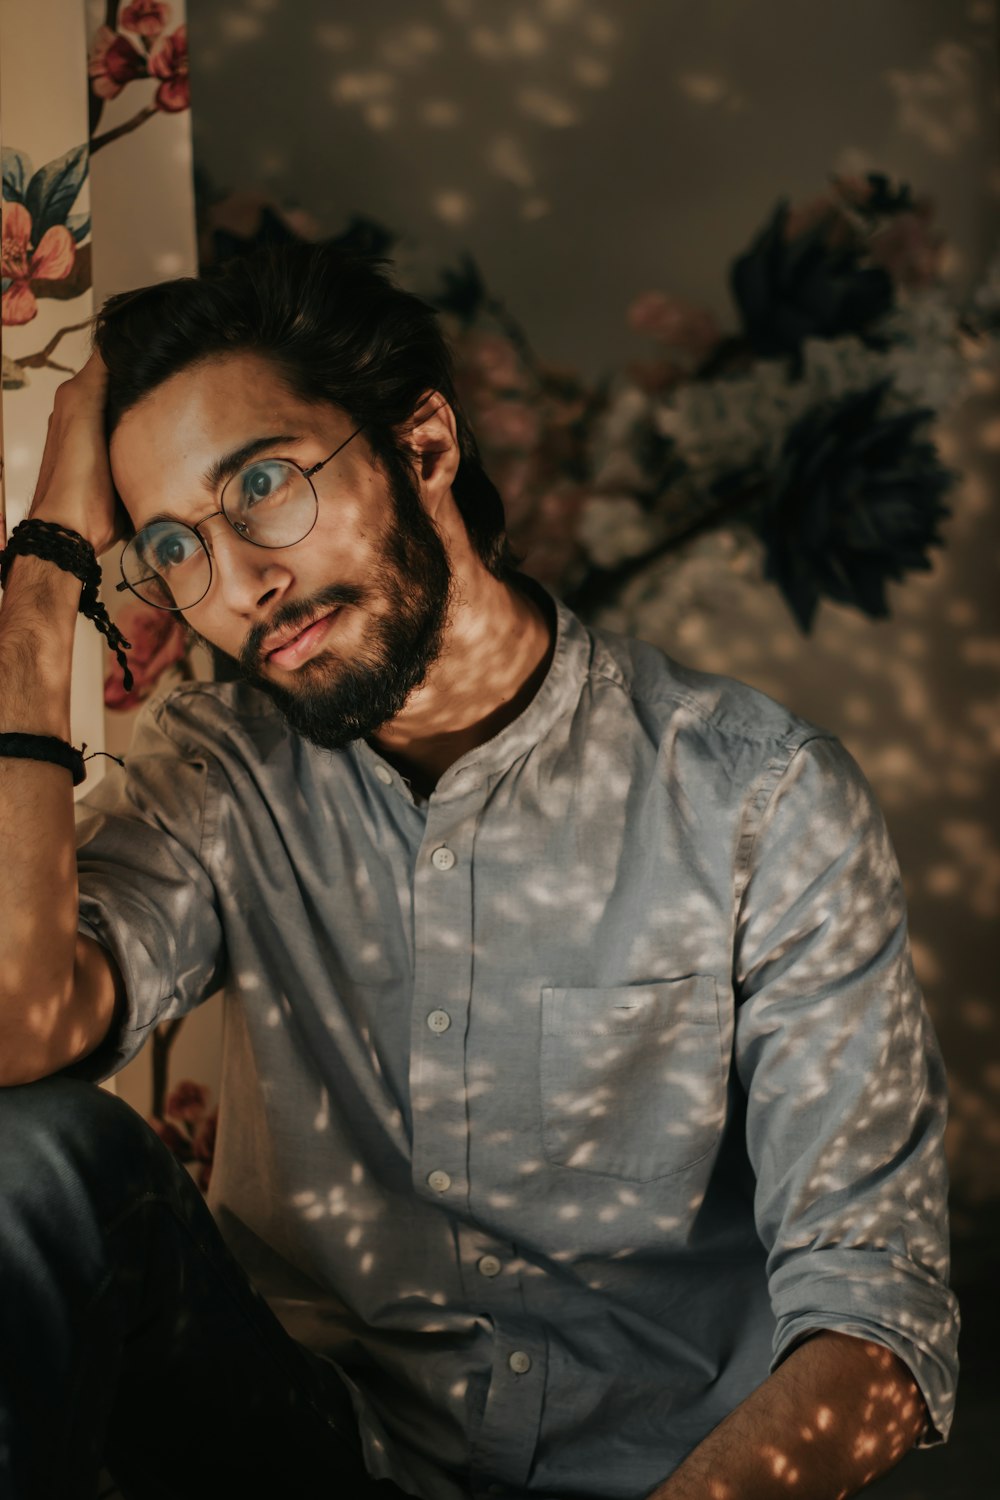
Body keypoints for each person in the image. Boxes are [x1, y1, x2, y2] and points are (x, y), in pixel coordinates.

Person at [0, 243, 958, 1500]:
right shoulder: (222, 773)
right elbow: (18, 1024)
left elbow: (880, 1325)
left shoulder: (755, 799)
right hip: (316, 1449)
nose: (239, 584)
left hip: (665, 1482)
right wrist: (39, 582)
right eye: (177, 543)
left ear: (426, 446)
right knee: (35, 1158)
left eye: (268, 486)